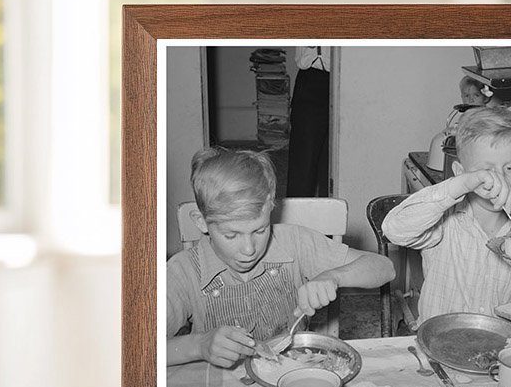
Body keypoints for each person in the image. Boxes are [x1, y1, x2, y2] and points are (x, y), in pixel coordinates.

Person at [166, 147, 394, 368]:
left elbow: (384, 268)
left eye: (260, 230)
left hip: (293, 368)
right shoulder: (183, 270)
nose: (249, 249)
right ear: (201, 222)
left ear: (270, 208)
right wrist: (198, 346)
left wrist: (334, 276)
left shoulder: (293, 242)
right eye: (231, 235)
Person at [382, 106, 511, 325]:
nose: (499, 179)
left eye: (510, 168)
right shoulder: (444, 222)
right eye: (486, 170)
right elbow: (394, 230)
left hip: (497, 341)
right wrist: (460, 185)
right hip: (439, 339)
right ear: (460, 173)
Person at [286, 45, 331, 197]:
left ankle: (332, 207)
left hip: (348, 74)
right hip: (312, 77)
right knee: (304, 158)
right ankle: (297, 209)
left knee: (335, 161)